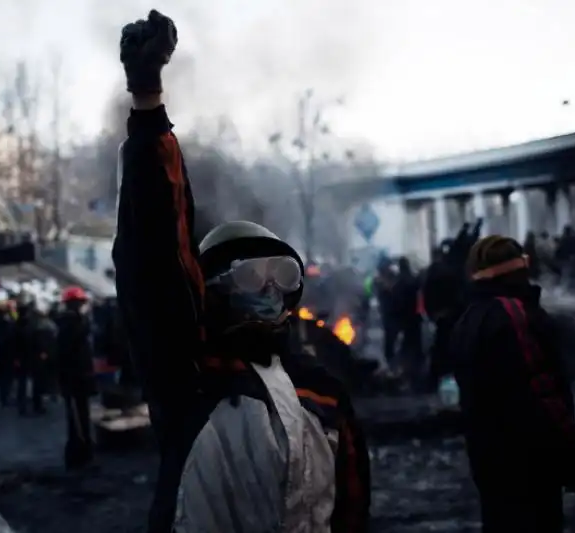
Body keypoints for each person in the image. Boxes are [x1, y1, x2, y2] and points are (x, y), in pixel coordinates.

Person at [112, 11, 369, 533]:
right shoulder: (188, 378)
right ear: (216, 287)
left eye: (284, 275)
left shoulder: (322, 392)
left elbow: (354, 512)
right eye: (253, 275)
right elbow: (154, 253)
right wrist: (147, 109)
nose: (271, 289)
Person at [449, 235, 575, 533]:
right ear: (517, 269)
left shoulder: (468, 319)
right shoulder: (514, 315)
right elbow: (540, 386)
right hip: (530, 461)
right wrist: (572, 447)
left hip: (490, 460)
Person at [55, 286, 96, 469]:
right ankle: (78, 456)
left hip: (79, 378)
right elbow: (66, 354)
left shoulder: (74, 322)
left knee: (81, 417)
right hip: (74, 379)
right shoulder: (70, 325)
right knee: (77, 419)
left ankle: (83, 453)